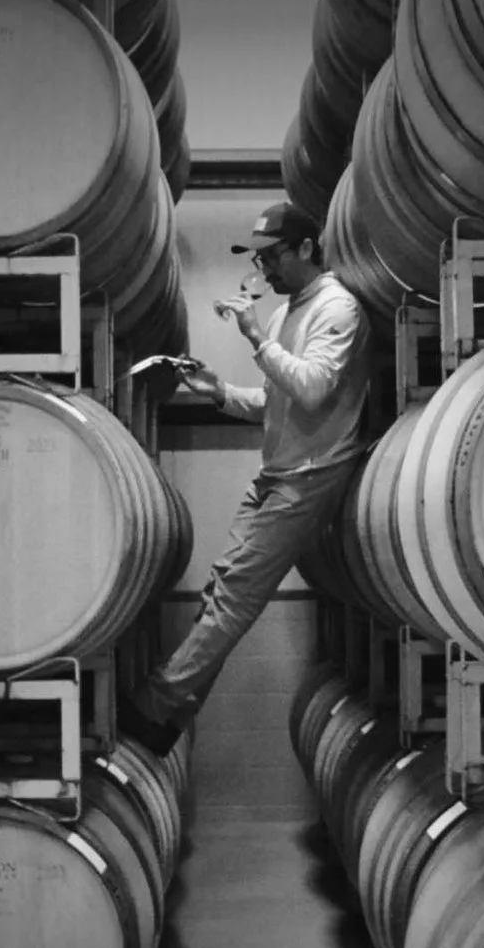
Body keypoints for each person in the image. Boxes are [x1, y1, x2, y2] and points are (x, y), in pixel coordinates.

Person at [121, 200, 372, 754]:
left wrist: (257, 339)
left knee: (234, 596)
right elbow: (276, 402)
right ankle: (168, 721)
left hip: (310, 476)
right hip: (276, 472)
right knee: (221, 589)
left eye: (273, 256)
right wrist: (219, 393)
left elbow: (311, 388)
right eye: (258, 259)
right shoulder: (288, 314)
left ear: (307, 248)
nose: (265, 271)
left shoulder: (338, 309)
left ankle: (153, 710)